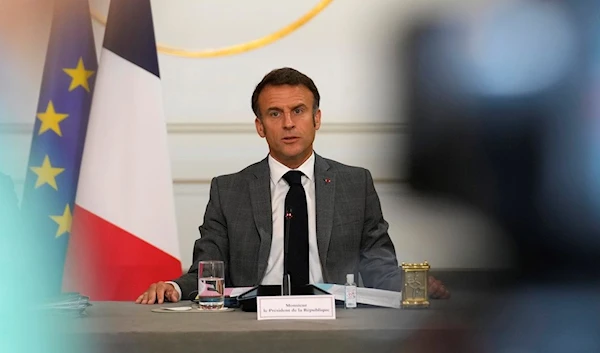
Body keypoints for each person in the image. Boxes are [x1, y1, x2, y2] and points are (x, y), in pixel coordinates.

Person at [136, 67, 450, 304]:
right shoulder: (228, 190)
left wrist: (414, 286)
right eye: (275, 113)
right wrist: (174, 287)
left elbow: (379, 266)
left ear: (317, 119)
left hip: (337, 325)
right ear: (260, 126)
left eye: (298, 111)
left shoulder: (356, 184)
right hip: (250, 327)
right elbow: (207, 272)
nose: (288, 123)